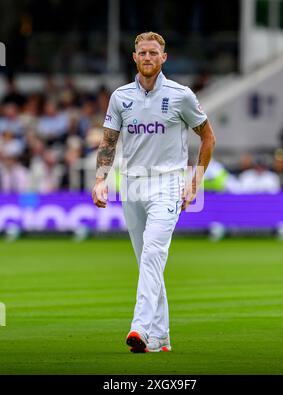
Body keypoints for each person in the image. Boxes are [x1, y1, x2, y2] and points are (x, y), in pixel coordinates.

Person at [92, 32, 216, 353]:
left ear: (164, 57)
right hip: (131, 184)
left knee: (152, 254)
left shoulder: (180, 95)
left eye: (153, 53)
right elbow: (108, 142)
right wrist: (100, 179)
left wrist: (195, 181)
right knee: (148, 262)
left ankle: (140, 329)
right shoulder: (120, 97)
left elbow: (208, 137)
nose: (148, 57)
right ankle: (161, 337)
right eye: (142, 53)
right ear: (134, 57)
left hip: (167, 184)